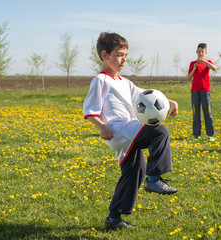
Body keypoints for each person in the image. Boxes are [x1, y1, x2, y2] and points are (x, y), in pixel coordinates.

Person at [83, 32, 178, 230]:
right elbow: (90, 110)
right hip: (119, 129)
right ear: (104, 55)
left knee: (135, 170)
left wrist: (167, 101)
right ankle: (153, 179)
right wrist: (102, 126)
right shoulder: (100, 80)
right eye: (118, 55)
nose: (123, 59)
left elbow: (143, 95)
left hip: (128, 130)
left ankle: (113, 220)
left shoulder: (124, 82)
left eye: (125, 55)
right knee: (159, 131)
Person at [187, 43, 217, 141]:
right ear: (196, 52)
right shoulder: (192, 63)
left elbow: (214, 68)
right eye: (199, 51)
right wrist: (195, 68)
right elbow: (188, 78)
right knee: (196, 113)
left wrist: (204, 62)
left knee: (207, 113)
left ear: (205, 52)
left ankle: (211, 134)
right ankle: (196, 133)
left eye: (202, 52)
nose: (200, 53)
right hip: (195, 91)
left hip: (205, 91)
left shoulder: (208, 62)